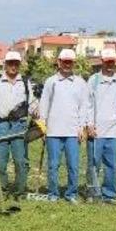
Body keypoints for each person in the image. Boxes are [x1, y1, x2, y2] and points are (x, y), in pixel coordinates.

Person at [37, 49, 89, 203]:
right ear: (58, 62)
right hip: (53, 131)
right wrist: (43, 125)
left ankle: (71, 193)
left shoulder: (80, 83)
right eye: (64, 61)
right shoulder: (50, 82)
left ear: (73, 63)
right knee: (53, 165)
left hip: (73, 131)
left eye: (70, 62)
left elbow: (84, 107)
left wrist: (81, 127)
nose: (67, 64)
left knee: (73, 165)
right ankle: (53, 193)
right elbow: (44, 104)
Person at [0, 50, 32, 199]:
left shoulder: (25, 82)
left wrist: (38, 113)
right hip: (0, 124)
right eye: (10, 63)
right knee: (1, 161)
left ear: (19, 65)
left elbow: (32, 102)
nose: (13, 66)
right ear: (5, 64)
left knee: (20, 161)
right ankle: (2, 190)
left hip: (19, 125)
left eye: (16, 63)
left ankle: (19, 191)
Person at [85, 48, 116, 203]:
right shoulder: (93, 80)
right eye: (107, 61)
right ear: (102, 62)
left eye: (112, 62)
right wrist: (89, 124)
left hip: (113, 130)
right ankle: (93, 193)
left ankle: (109, 194)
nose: (110, 64)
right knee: (93, 163)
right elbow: (87, 104)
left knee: (112, 164)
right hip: (96, 130)